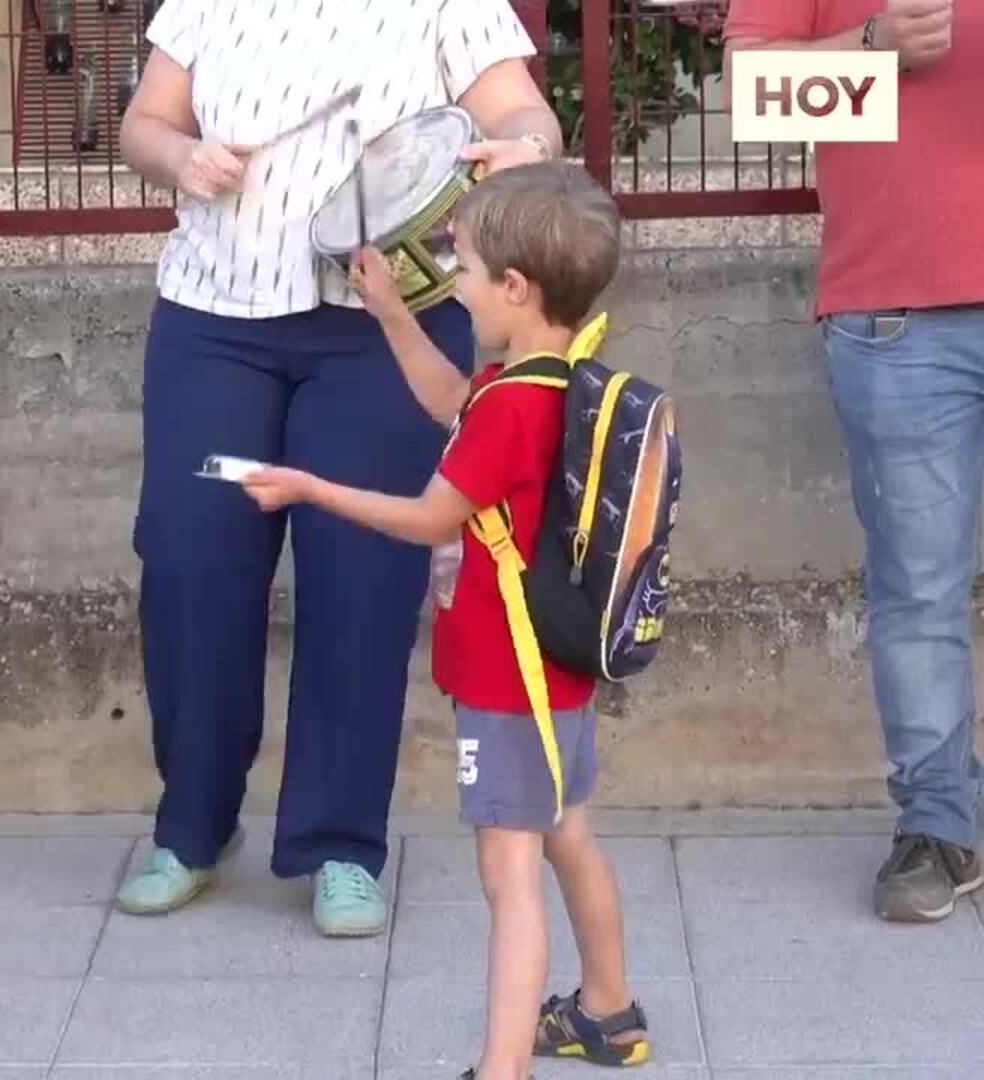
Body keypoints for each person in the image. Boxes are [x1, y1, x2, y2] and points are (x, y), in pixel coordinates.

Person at [113, 0, 563, 935]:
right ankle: (191, 827)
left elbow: (527, 115)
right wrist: (179, 156)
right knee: (193, 570)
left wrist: (522, 148)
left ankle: (340, 844)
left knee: (361, 580)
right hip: (212, 323)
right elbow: (142, 124)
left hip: (382, 326)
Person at [240, 162, 650, 1080]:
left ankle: (502, 1068)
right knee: (568, 838)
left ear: (514, 287)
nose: (454, 289)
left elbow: (429, 517)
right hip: (560, 668)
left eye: (461, 272)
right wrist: (390, 308)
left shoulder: (508, 407)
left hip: (507, 682)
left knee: (508, 878)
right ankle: (609, 1011)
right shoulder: (550, 377)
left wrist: (307, 486)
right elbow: (450, 403)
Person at [724, 0, 984, 924]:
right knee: (922, 589)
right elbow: (756, 100)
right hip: (899, 315)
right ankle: (940, 828)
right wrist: (877, 50)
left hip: (899, 322)